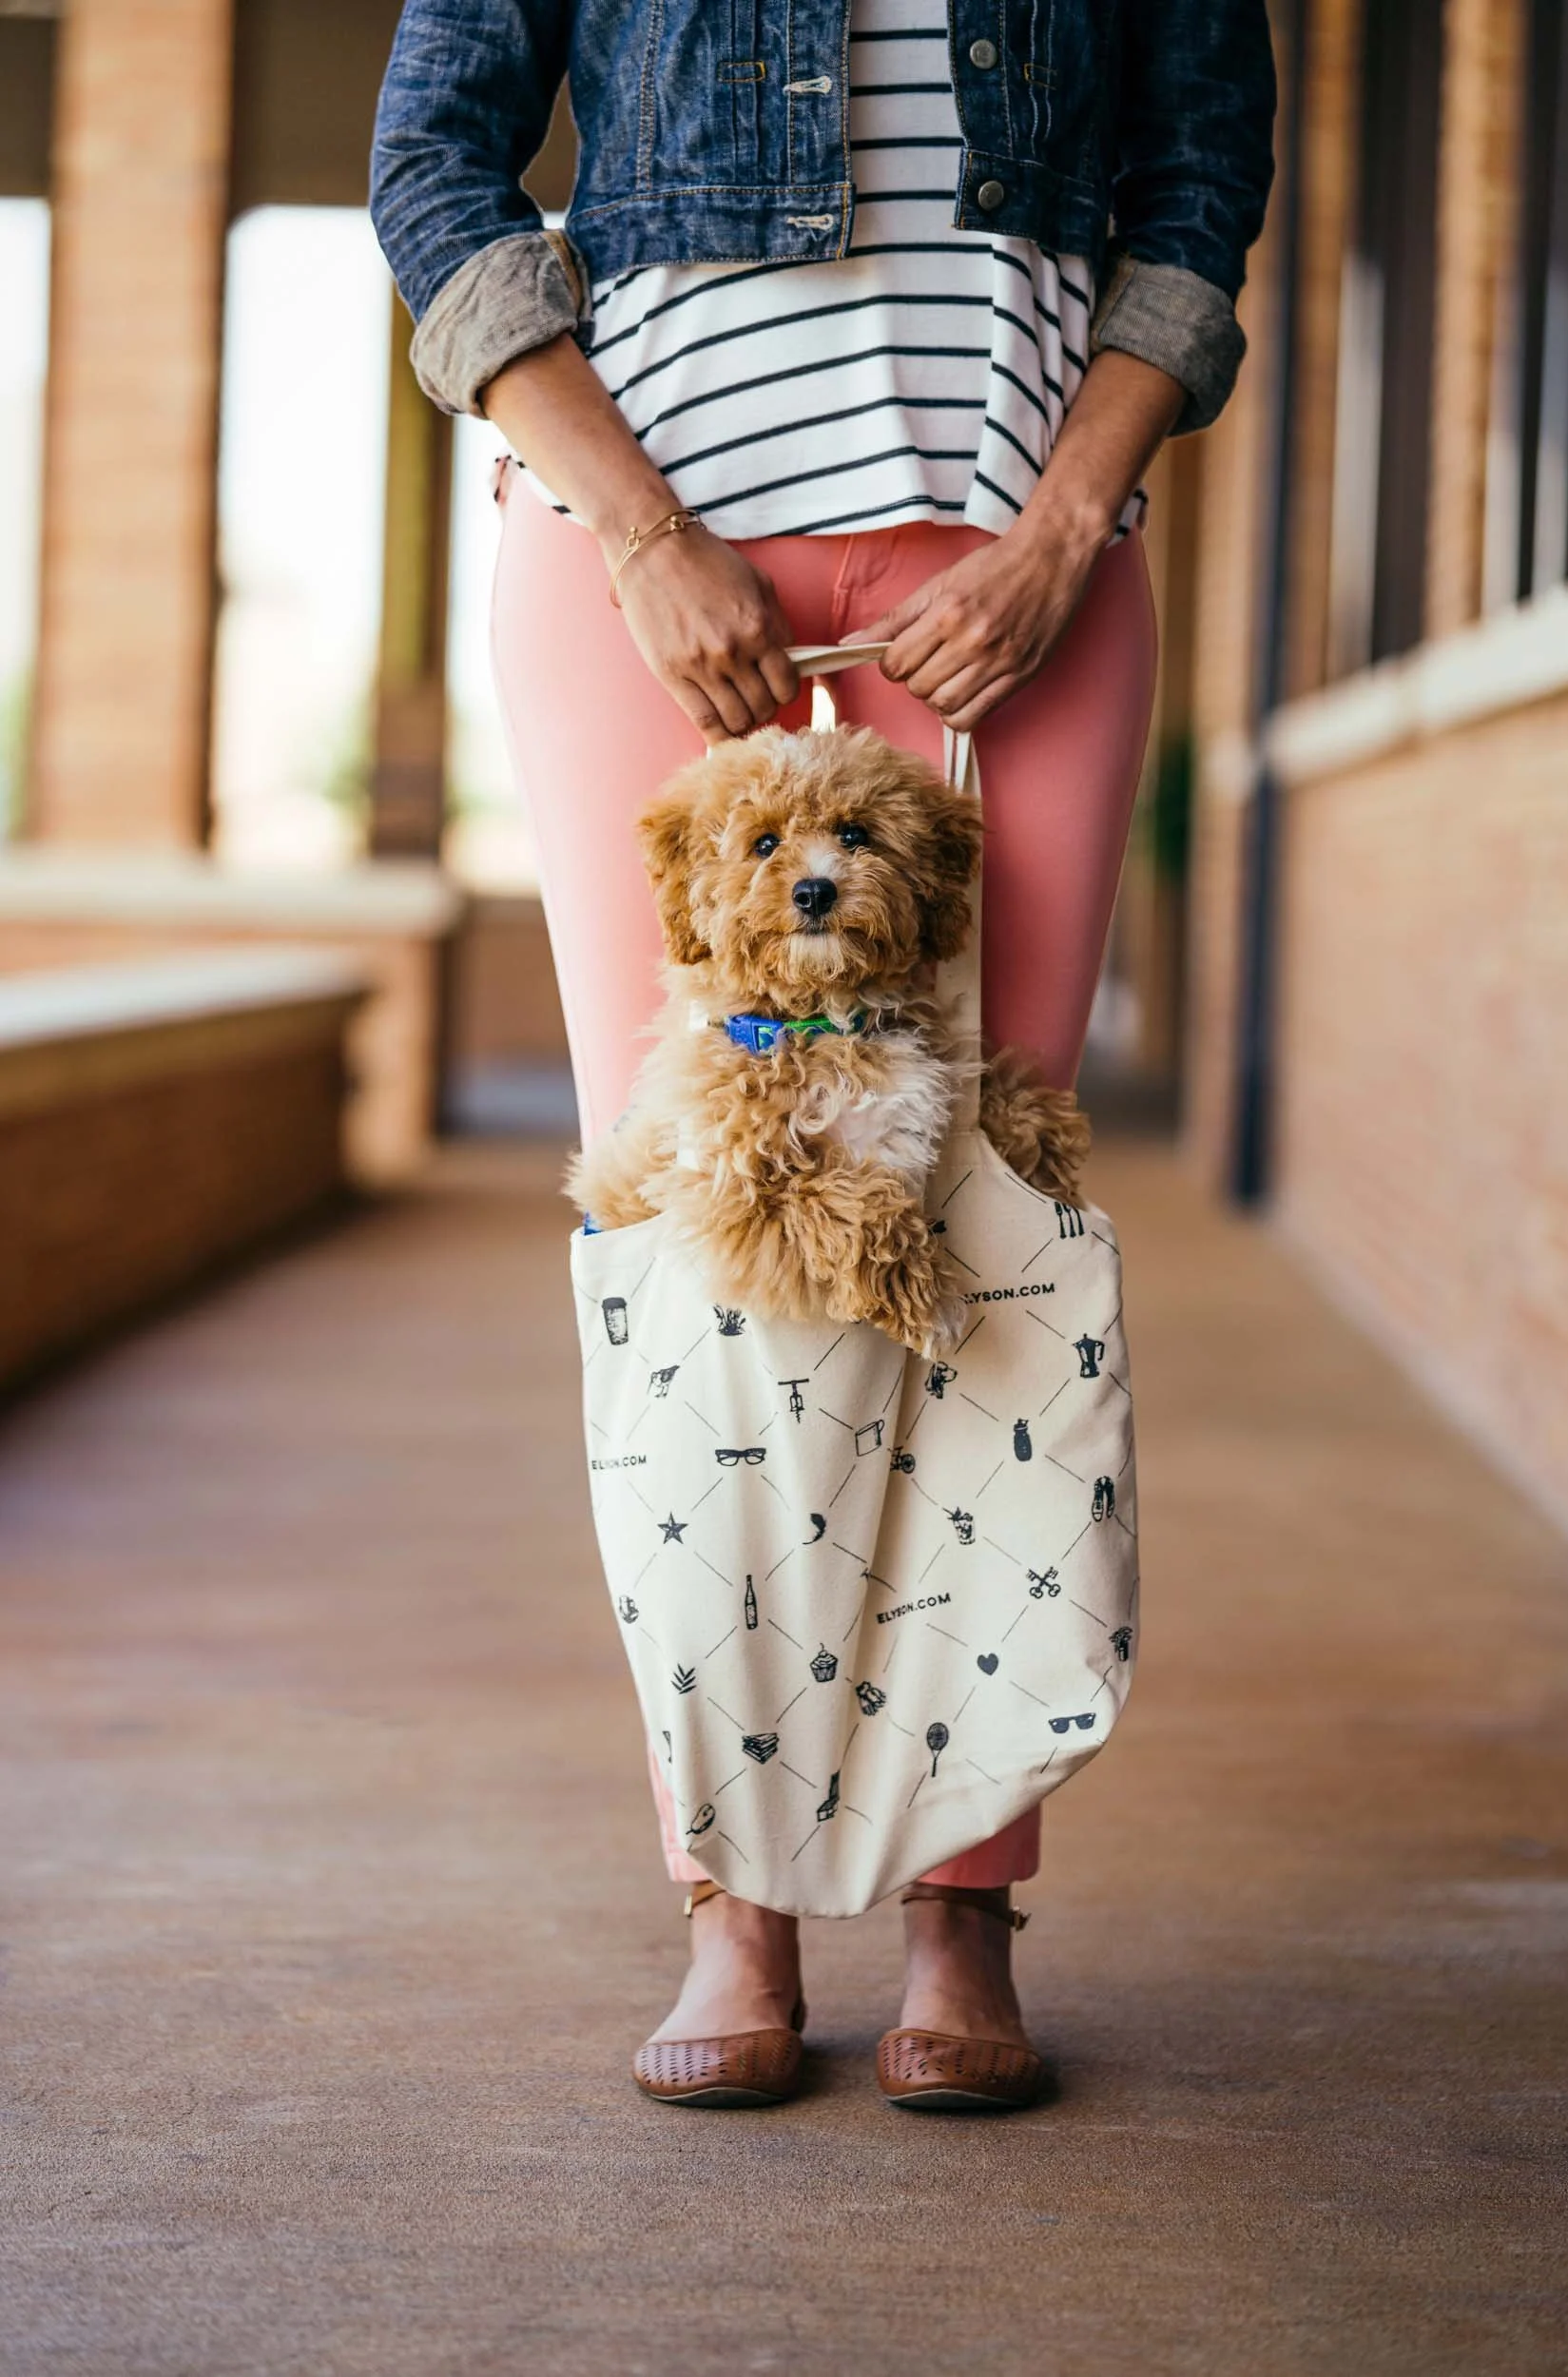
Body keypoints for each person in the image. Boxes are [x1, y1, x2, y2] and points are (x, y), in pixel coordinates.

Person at [373, 0, 1275, 2111]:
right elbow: (434, 162)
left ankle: (963, 1894)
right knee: (696, 1257)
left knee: (988, 1233)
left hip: (1017, 578)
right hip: (650, 578)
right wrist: (637, 531)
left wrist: (1061, 528)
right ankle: (734, 1889)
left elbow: (1197, 179)